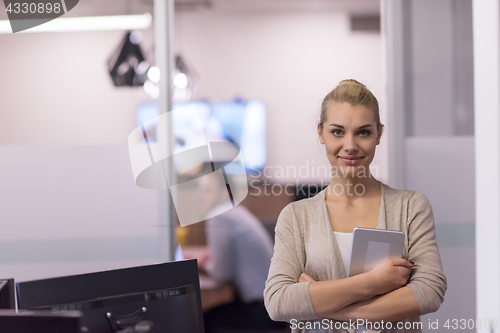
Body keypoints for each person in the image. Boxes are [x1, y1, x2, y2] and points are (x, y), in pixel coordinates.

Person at [264, 79, 447, 333]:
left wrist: (323, 304)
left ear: (379, 134)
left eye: (363, 132)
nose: (350, 145)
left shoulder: (411, 206)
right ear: (320, 133)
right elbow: (278, 302)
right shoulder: (296, 217)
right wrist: (372, 283)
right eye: (337, 132)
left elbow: (429, 291)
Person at [197, 171, 287, 333]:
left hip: (263, 311)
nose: (201, 195)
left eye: (207, 190)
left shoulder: (219, 216)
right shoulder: (235, 212)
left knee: (200, 321)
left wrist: (201, 264)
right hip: (274, 306)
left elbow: (221, 274)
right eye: (201, 190)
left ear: (226, 192)